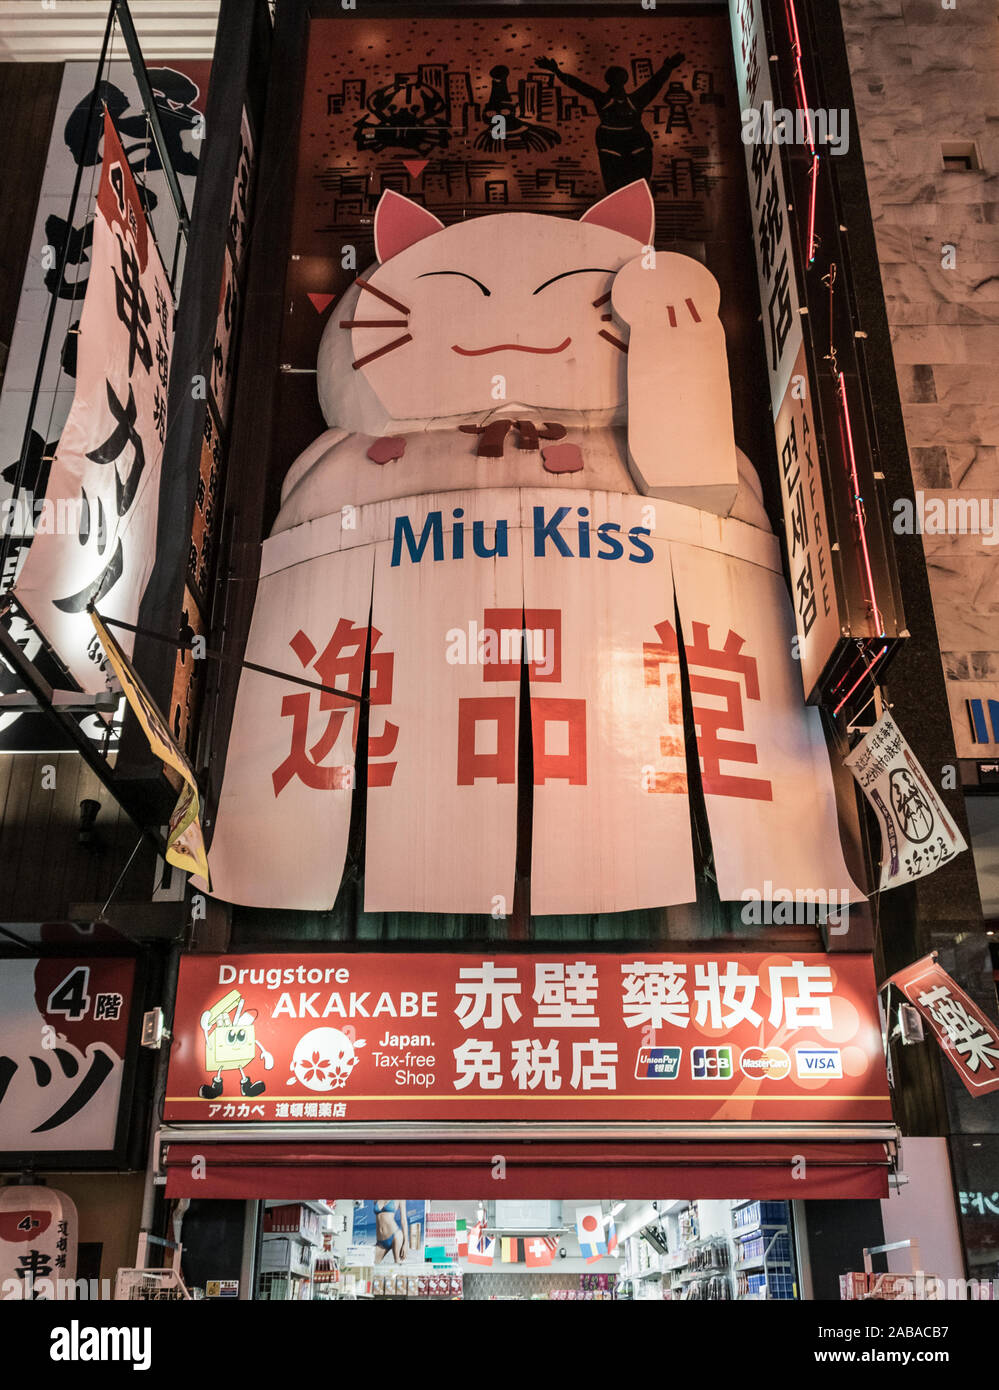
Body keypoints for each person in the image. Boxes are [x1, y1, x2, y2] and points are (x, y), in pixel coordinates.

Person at [535, 53, 685, 190]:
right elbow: (655, 83)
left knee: (619, 189)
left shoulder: (603, 99)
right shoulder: (634, 100)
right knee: (634, 188)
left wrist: (557, 72)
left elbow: (578, 85)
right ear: (624, 80)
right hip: (630, 143)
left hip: (616, 143)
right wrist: (668, 67)